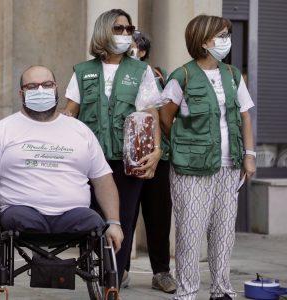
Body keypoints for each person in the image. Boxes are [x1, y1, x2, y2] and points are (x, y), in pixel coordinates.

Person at [0, 65, 124, 262]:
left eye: (47, 84)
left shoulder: (80, 130)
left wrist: (114, 222)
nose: (41, 91)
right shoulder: (3, 130)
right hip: (21, 214)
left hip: (75, 215)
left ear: (56, 88)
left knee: (94, 221)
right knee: (18, 217)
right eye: (32, 86)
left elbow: (103, 180)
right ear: (21, 93)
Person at [61, 9, 164, 283]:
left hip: (127, 159)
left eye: (129, 30)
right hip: (90, 161)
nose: (125, 34)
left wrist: (156, 149)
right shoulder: (83, 71)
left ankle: (113, 280)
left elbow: (151, 113)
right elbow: (69, 111)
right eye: (119, 29)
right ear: (104, 31)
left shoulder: (141, 70)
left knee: (123, 220)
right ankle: (96, 272)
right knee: (93, 219)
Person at [159, 15, 256, 300]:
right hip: (191, 167)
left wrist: (249, 155)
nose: (227, 40)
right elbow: (165, 119)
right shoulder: (182, 76)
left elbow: (245, 116)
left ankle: (221, 291)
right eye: (221, 35)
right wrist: (185, 145)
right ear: (203, 40)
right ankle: (187, 293)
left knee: (224, 233)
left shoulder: (232, 74)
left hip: (230, 164)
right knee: (190, 234)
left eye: (227, 34)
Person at [122, 32, 178, 293]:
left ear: (142, 52)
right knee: (125, 216)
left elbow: (164, 113)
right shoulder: (114, 76)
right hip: (127, 156)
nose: (129, 50)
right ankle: (120, 269)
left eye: (134, 47)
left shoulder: (155, 76)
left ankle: (161, 272)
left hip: (159, 155)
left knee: (158, 216)